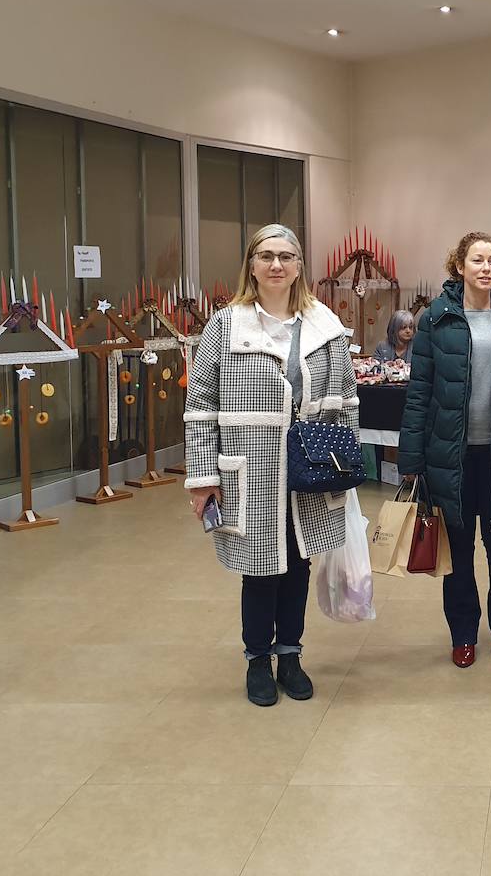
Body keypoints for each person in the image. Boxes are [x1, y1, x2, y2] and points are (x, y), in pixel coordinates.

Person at [183, 224, 359, 708]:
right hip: (251, 470)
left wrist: (345, 467)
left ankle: (291, 655)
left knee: (298, 564)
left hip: (311, 467)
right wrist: (203, 479)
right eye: (266, 256)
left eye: (286, 256)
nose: (276, 265)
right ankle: (258, 660)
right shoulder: (225, 325)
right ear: (252, 265)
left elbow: (347, 400)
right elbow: (200, 406)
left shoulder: (325, 325)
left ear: (299, 265)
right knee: (259, 569)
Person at [398, 233, 491, 668]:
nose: (486, 268)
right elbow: (420, 390)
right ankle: (463, 634)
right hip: (451, 454)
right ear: (460, 266)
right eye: (477, 260)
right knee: (458, 550)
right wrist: (411, 457)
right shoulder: (436, 318)